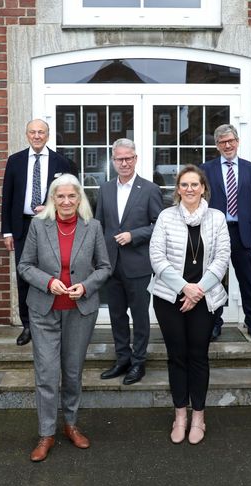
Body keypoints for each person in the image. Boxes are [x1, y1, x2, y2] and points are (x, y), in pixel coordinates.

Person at [18, 174, 111, 462]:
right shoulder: (38, 225)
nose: (67, 201)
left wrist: (85, 286)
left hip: (79, 311)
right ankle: (46, 433)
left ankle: (70, 425)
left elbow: (105, 267)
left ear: (80, 198)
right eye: (61, 196)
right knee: (46, 373)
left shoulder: (92, 227)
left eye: (72, 196)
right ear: (53, 199)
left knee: (72, 372)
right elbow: (25, 266)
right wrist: (47, 282)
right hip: (44, 310)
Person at [149, 165, 230, 445]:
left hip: (204, 300)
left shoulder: (217, 218)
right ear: (178, 189)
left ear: (203, 188)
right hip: (169, 298)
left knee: (198, 357)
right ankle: (179, 416)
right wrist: (184, 288)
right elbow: (157, 258)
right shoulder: (166, 217)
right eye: (184, 184)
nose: (190, 189)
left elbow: (222, 258)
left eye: (195, 184)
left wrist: (198, 291)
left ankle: (198, 417)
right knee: (177, 357)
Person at [2, 119, 76, 346]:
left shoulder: (62, 162)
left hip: (51, 225)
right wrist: (7, 232)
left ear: (48, 135)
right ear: (26, 135)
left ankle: (52, 321)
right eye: (32, 132)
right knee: (25, 275)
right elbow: (7, 198)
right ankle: (28, 325)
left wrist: (51, 208)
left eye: (41, 132)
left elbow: (72, 195)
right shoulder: (14, 161)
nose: (36, 136)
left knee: (51, 273)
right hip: (22, 227)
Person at [96, 138, 163, 385]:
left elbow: (159, 225)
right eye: (119, 159)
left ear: (135, 159)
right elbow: (99, 225)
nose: (124, 163)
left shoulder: (150, 189)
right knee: (116, 315)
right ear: (113, 161)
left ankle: (138, 363)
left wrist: (134, 235)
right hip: (111, 264)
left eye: (128, 158)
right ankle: (122, 359)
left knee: (140, 316)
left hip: (138, 265)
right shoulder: (104, 189)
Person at [201, 124, 251, 342]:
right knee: (214, 278)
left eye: (231, 141)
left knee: (248, 280)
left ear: (237, 141)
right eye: (222, 142)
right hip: (215, 232)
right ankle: (214, 322)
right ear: (217, 146)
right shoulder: (206, 169)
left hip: (243, 233)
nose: (227, 145)